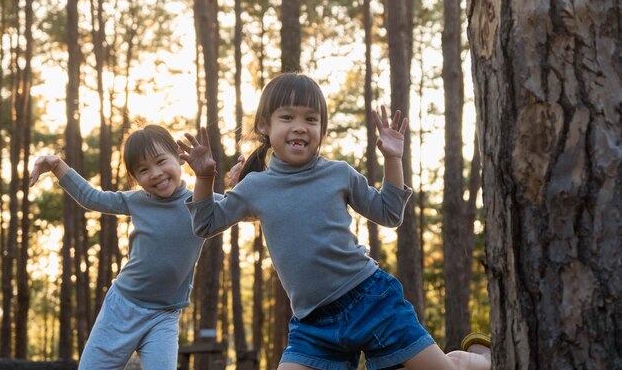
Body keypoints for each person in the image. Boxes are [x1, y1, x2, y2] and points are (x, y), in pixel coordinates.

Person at [178, 73, 492, 370]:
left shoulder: (338, 173)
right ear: (265, 125)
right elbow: (206, 224)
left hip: (370, 302)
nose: (300, 127)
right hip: (313, 323)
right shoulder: (256, 187)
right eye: (287, 117)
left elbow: (390, 213)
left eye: (310, 119)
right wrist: (205, 178)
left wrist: (393, 159)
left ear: (322, 130)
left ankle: (474, 360)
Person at [30, 124, 242, 370]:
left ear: (179, 157)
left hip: (165, 314)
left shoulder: (204, 203)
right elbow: (92, 197)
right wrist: (57, 166)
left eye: (161, 161)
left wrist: (243, 183)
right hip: (123, 306)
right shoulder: (137, 201)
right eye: (143, 170)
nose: (155, 173)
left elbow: (245, 211)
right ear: (136, 178)